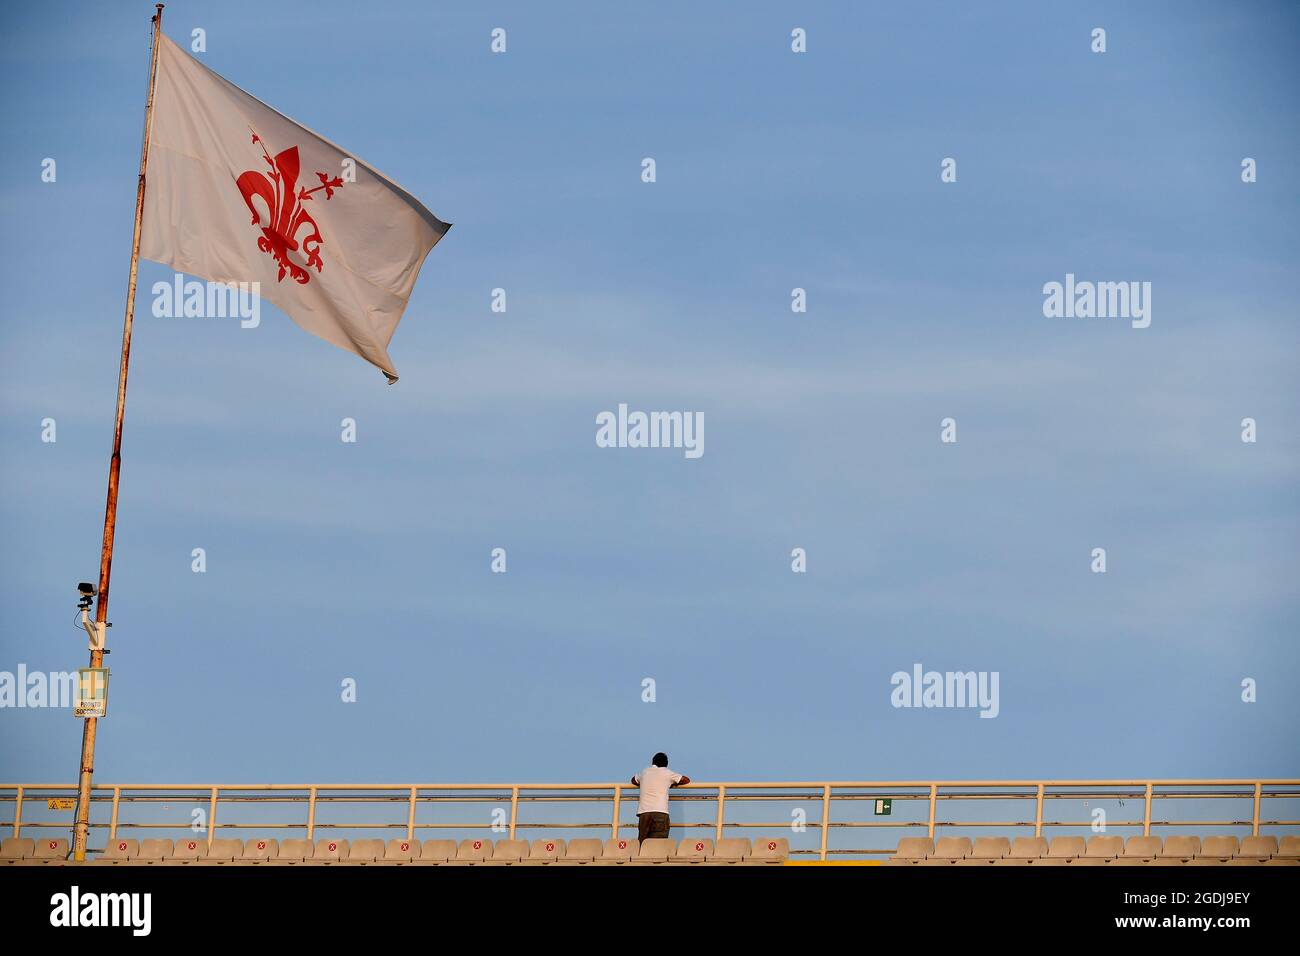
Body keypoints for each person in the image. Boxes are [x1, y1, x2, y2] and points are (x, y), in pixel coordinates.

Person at [630, 752, 690, 843]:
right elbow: (686, 780)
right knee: (658, 845)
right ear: (666, 764)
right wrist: (672, 783)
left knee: (642, 845)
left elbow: (633, 780)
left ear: (653, 762)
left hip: (644, 813)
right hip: (660, 812)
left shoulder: (644, 772)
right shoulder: (667, 773)